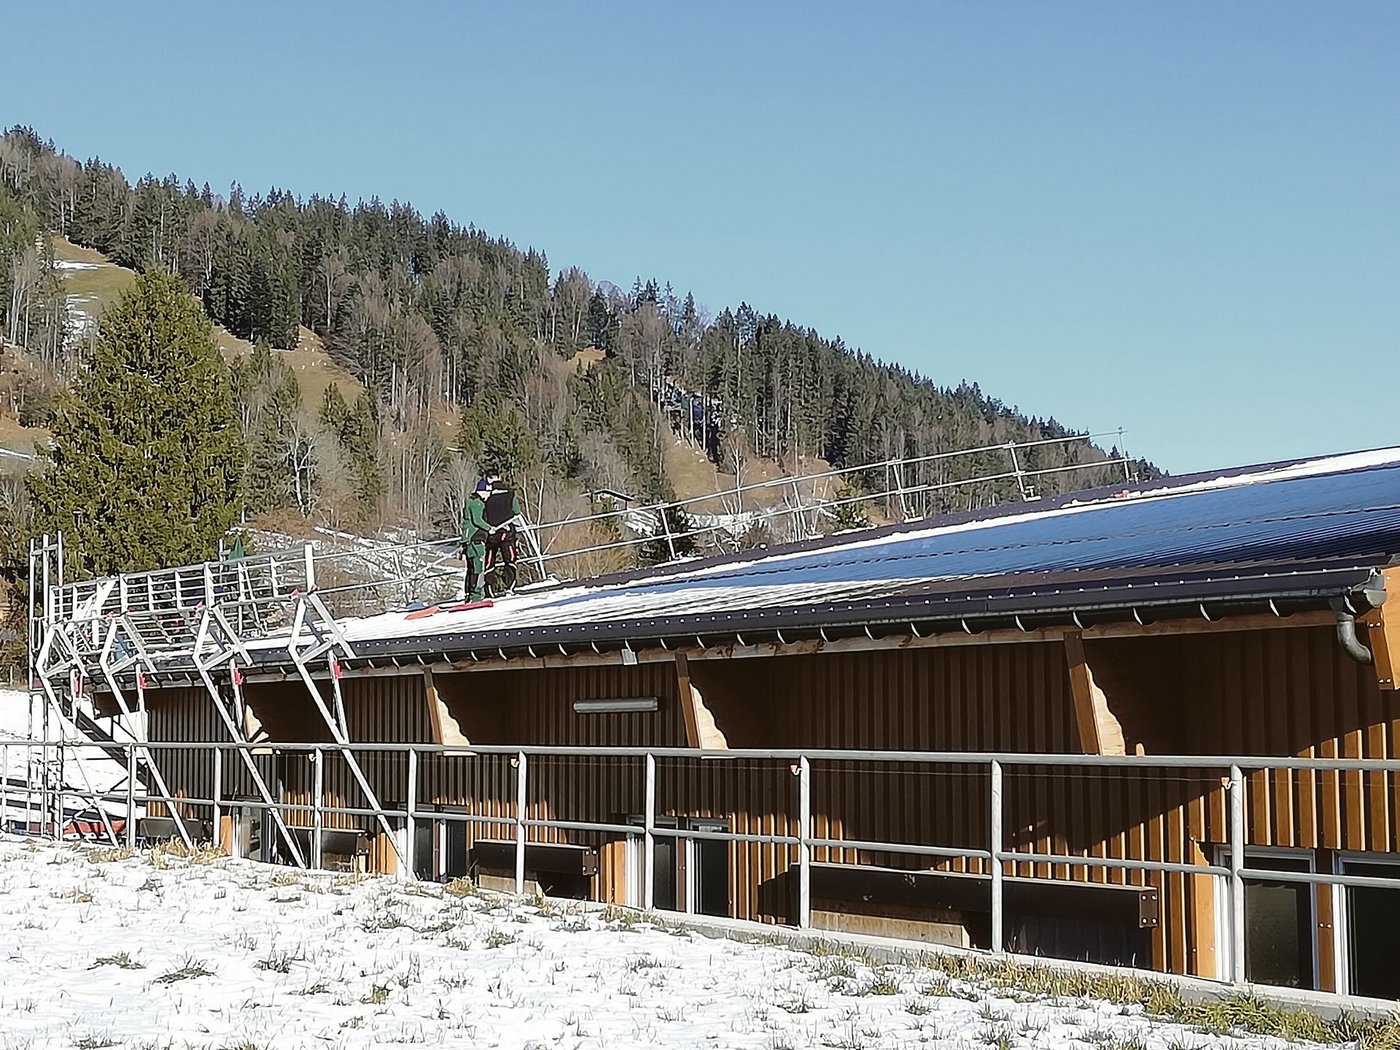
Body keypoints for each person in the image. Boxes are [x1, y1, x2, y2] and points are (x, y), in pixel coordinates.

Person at [461, 479, 492, 602]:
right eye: (488, 492)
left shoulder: (470, 501)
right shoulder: (477, 503)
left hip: (468, 539)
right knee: (478, 567)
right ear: (482, 491)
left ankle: (469, 593)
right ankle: (476, 594)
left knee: (471, 568)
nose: (489, 495)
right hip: (475, 538)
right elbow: (478, 520)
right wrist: (490, 528)